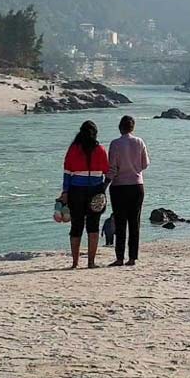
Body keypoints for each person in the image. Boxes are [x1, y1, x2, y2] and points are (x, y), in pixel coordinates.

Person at [61, 120, 109, 269]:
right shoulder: (100, 149)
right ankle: (91, 262)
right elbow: (106, 170)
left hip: (76, 191)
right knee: (93, 227)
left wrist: (65, 192)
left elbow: (67, 173)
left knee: (76, 227)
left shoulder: (73, 150)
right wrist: (103, 187)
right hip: (95, 191)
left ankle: (75, 262)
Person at [107, 115, 149, 267]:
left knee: (120, 223)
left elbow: (111, 168)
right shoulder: (139, 142)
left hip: (119, 187)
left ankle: (119, 258)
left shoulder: (115, 144)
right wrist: (134, 168)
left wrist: (104, 185)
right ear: (133, 127)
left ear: (120, 127)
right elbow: (145, 164)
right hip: (137, 185)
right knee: (134, 222)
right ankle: (132, 258)